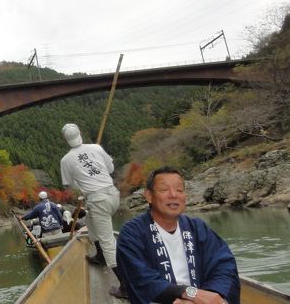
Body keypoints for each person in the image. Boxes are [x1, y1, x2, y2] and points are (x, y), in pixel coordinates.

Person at [116, 166, 240, 304]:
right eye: (164, 190)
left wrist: (212, 294)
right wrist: (189, 293)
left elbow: (224, 266)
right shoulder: (132, 233)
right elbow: (141, 280)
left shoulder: (197, 228)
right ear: (149, 196)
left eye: (179, 190)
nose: (173, 195)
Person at [59, 123, 126, 297]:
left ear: (65, 139)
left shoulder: (66, 160)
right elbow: (110, 168)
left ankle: (125, 286)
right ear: (80, 133)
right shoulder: (96, 148)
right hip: (113, 195)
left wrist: (81, 182)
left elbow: (69, 184)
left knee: (108, 241)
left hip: (98, 201)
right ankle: (100, 257)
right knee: (89, 221)